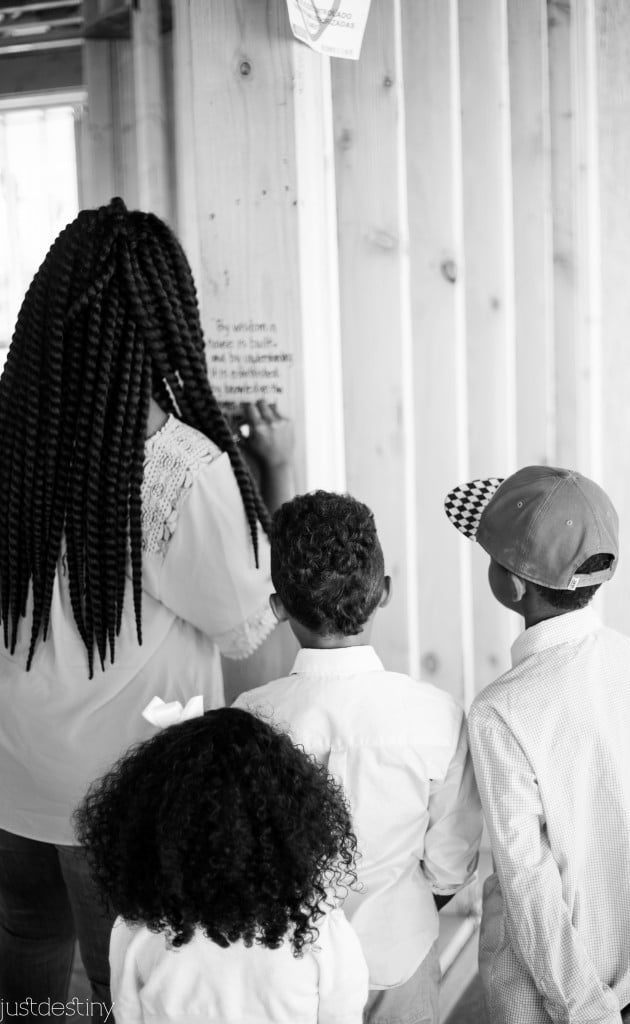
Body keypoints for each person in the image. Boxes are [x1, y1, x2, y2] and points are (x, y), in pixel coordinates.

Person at [0, 197, 293, 1015]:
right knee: (120, 981)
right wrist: (271, 477)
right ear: (162, 324)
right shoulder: (179, 469)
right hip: (126, 789)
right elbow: (245, 623)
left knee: (28, 947)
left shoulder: (12, 440)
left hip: (13, 765)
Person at [444, 466, 630, 1024]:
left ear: (514, 584)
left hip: (556, 1005)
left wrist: (589, 1013)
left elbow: (530, 890)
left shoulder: (500, 712)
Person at [233, 490, 482, 1024]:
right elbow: (450, 864)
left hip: (288, 971)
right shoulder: (436, 716)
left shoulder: (249, 719)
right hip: (400, 955)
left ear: (278, 608)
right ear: (383, 592)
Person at [73, 703, 368, 1023]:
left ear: (155, 821)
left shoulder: (138, 931)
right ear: (289, 822)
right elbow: (344, 1016)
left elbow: (128, 1016)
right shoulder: (319, 930)